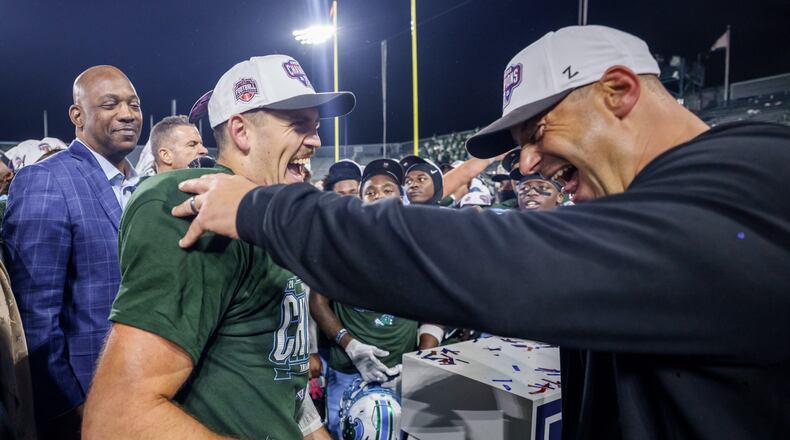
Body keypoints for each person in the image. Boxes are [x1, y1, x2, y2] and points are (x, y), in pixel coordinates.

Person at [172, 25, 790, 438]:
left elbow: (491, 262)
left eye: (535, 134)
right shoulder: (691, 192)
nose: (525, 165)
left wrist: (261, 208)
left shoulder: (755, 184)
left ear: (619, 92)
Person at [82, 55, 351, 440]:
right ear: (241, 132)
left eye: (316, 124)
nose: (316, 139)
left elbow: (275, 381)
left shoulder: (272, 212)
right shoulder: (193, 205)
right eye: (298, 124)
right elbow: (118, 421)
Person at [3, 65, 141, 438]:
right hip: (84, 404)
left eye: (134, 104)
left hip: (145, 398)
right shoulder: (46, 180)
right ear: (77, 116)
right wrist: (69, 409)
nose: (127, 114)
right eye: (110, 104)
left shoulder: (144, 189)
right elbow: (35, 319)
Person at [311, 158, 423, 439]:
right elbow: (318, 302)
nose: (379, 197)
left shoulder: (420, 246)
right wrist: (349, 345)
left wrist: (420, 359)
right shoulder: (338, 245)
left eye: (388, 190)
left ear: (402, 197)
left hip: (403, 371)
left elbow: (437, 310)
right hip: (347, 370)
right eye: (370, 192)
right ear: (360, 201)